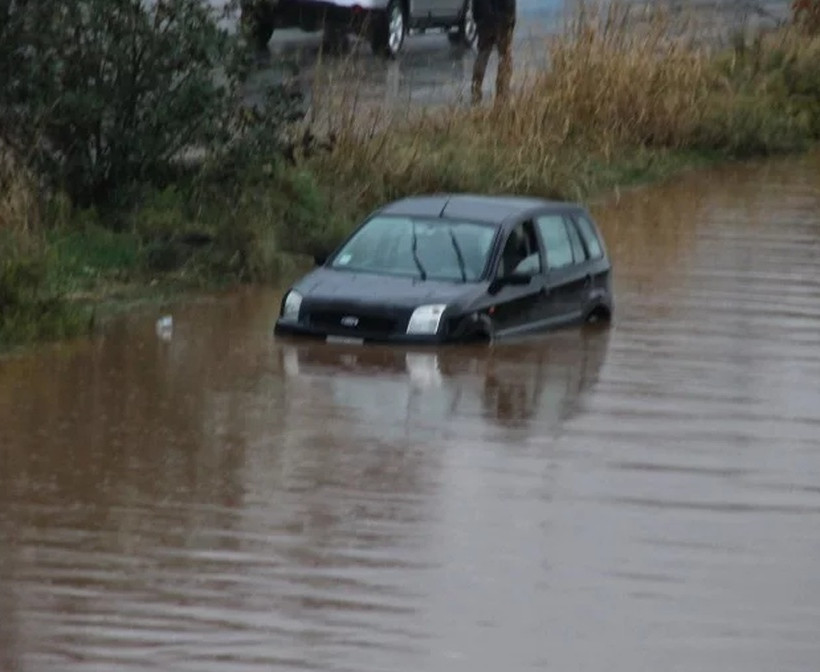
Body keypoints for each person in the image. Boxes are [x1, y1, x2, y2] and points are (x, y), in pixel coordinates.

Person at [471, 0, 517, 105]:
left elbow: (475, 4)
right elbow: (510, 3)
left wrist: (478, 19)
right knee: (505, 57)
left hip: (484, 21)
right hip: (503, 20)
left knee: (482, 54)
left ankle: (476, 89)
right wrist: (511, 19)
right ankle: (502, 92)